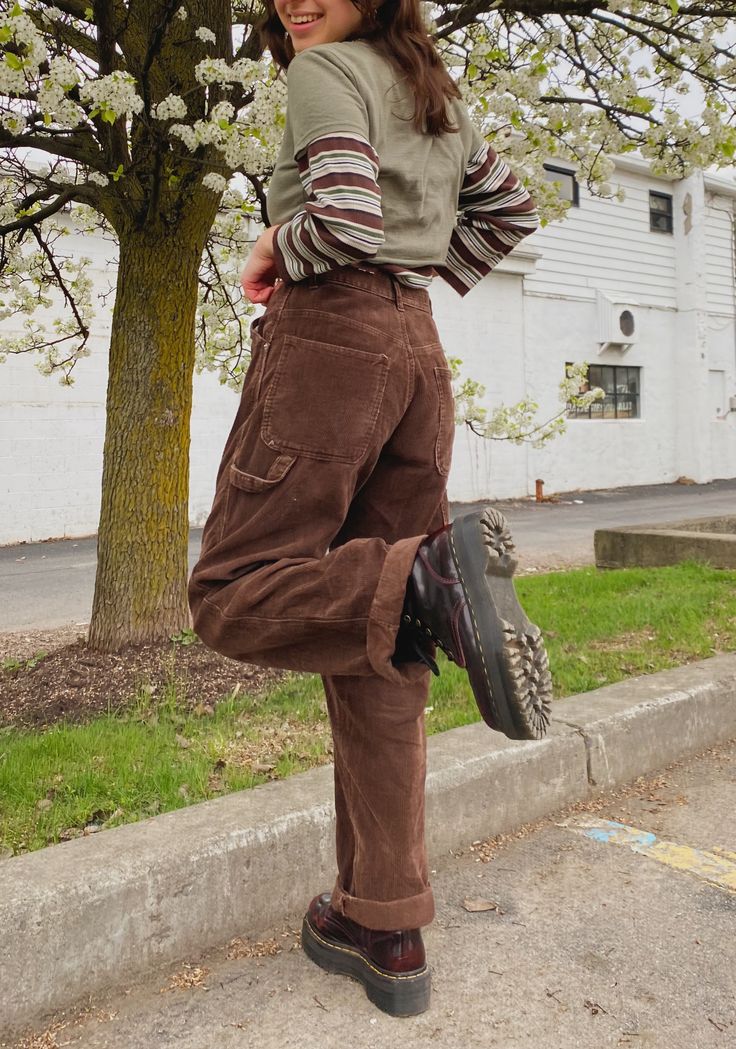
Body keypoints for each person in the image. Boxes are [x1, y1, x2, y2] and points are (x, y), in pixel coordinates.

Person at [189, 0, 552, 1018]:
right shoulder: (431, 93)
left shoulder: (325, 74)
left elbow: (342, 219)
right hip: (415, 353)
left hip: (330, 343)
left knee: (231, 589)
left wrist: (270, 248)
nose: (289, 0)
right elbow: (509, 216)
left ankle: (426, 579)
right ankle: (383, 922)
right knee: (381, 647)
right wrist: (411, 283)